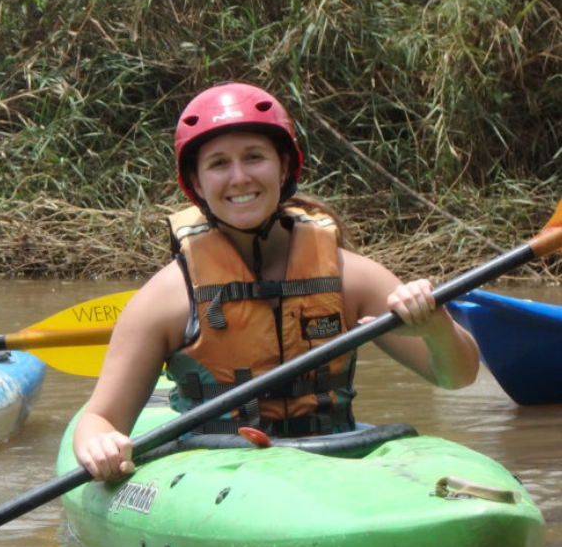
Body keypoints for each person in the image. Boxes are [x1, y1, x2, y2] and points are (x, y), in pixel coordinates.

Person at [72, 81, 480, 481]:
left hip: (330, 461)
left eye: (254, 157)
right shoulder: (167, 298)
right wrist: (99, 445)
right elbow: (100, 417)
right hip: (214, 470)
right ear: (196, 183)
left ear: (283, 167)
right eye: (218, 163)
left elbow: (457, 376)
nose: (239, 177)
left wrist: (436, 327)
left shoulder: (350, 277)